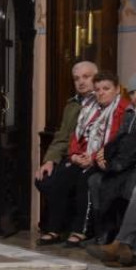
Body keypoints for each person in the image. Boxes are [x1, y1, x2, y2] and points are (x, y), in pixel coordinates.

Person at [40, 72, 127, 247]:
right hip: (83, 156)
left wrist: (93, 158)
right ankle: (55, 229)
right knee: (61, 176)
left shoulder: (122, 109)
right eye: (98, 89)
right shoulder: (90, 107)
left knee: (84, 179)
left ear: (117, 89)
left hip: (105, 159)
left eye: (106, 89)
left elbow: (115, 141)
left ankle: (80, 230)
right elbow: (76, 135)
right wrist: (74, 155)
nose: (101, 93)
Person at [34, 61, 98, 245]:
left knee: (69, 178)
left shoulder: (101, 101)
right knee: (44, 179)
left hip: (90, 156)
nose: (81, 82)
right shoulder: (72, 105)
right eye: (76, 79)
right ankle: (59, 227)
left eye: (86, 77)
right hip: (72, 155)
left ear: (96, 77)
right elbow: (62, 137)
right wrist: (50, 160)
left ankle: (66, 228)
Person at [86, 87, 136, 243]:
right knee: (95, 180)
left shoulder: (124, 109)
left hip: (129, 163)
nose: (134, 96)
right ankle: (102, 233)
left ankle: (120, 240)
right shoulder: (130, 112)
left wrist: (114, 164)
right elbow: (118, 138)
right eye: (132, 93)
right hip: (124, 160)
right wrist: (104, 154)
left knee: (125, 185)